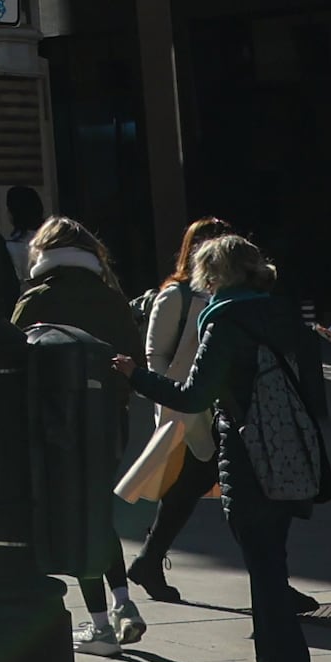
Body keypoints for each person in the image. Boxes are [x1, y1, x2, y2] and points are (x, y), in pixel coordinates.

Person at [128, 232, 331, 662]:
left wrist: (136, 376)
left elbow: (193, 396)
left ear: (212, 274)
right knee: (272, 561)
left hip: (248, 455)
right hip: (291, 452)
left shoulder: (224, 322)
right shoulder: (279, 312)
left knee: (264, 570)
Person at [12, 217, 149, 653]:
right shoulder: (111, 299)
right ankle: (123, 601)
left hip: (55, 422)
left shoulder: (36, 300)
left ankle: (99, 626)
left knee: (74, 514)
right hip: (108, 417)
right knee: (95, 510)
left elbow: (14, 360)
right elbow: (134, 362)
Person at [123, 215, 235, 600]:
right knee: (205, 482)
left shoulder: (229, 293)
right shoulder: (176, 295)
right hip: (187, 409)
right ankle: (150, 559)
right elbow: (155, 355)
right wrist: (168, 402)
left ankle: (149, 559)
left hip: (217, 405)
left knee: (193, 485)